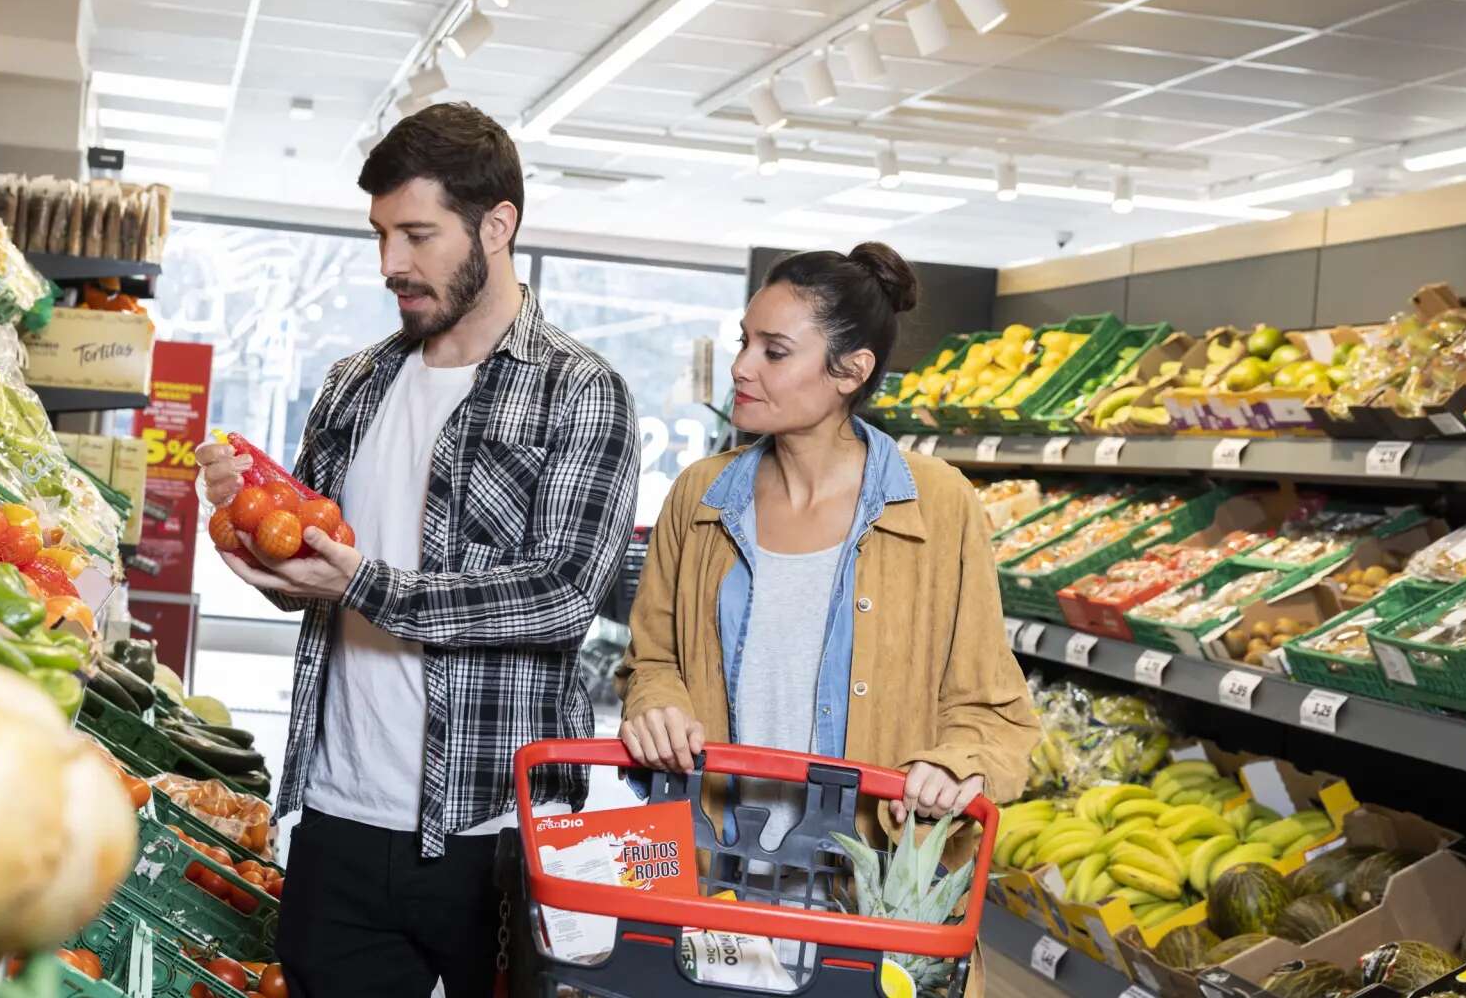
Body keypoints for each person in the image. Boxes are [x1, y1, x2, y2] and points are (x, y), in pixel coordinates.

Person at [193, 102, 639, 998]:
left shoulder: (580, 391)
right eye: (381, 234)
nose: (391, 263)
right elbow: (319, 577)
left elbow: (559, 596)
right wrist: (255, 540)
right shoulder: (355, 383)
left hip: (497, 833)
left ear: (498, 225)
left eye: (418, 234)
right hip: (339, 815)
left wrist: (367, 582)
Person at [616, 243, 1038, 982]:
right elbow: (651, 660)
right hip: (714, 887)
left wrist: (951, 764)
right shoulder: (701, 498)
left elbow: (993, 713)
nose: (743, 366)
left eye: (774, 351)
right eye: (745, 340)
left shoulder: (937, 508)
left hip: (862, 911)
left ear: (851, 371)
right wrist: (658, 703)